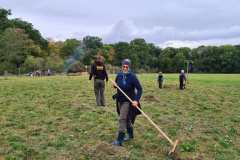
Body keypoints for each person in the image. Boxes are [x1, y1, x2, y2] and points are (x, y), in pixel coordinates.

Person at [112, 59, 143, 146]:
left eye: (127, 66)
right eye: (123, 66)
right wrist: (114, 85)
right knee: (127, 119)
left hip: (128, 101)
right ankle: (130, 134)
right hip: (119, 100)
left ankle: (119, 140)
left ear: (129, 67)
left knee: (122, 119)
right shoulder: (119, 75)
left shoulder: (132, 77)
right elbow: (116, 85)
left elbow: (140, 89)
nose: (125, 68)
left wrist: (136, 100)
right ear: (121, 66)